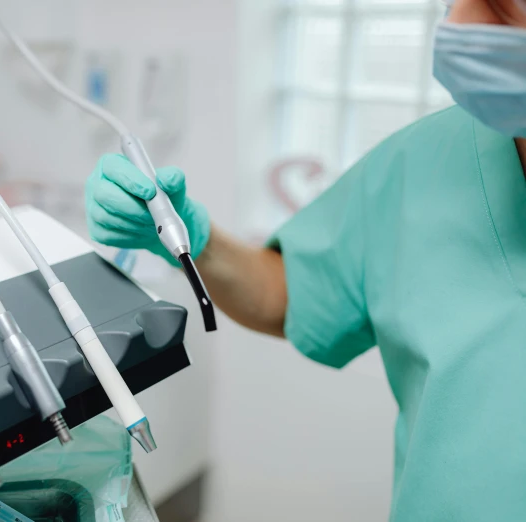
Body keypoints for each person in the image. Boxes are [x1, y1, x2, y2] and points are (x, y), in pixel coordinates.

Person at [84, 0, 526, 519]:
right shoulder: (427, 161)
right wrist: (196, 239)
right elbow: (294, 292)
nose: (457, 24)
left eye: (498, 6)